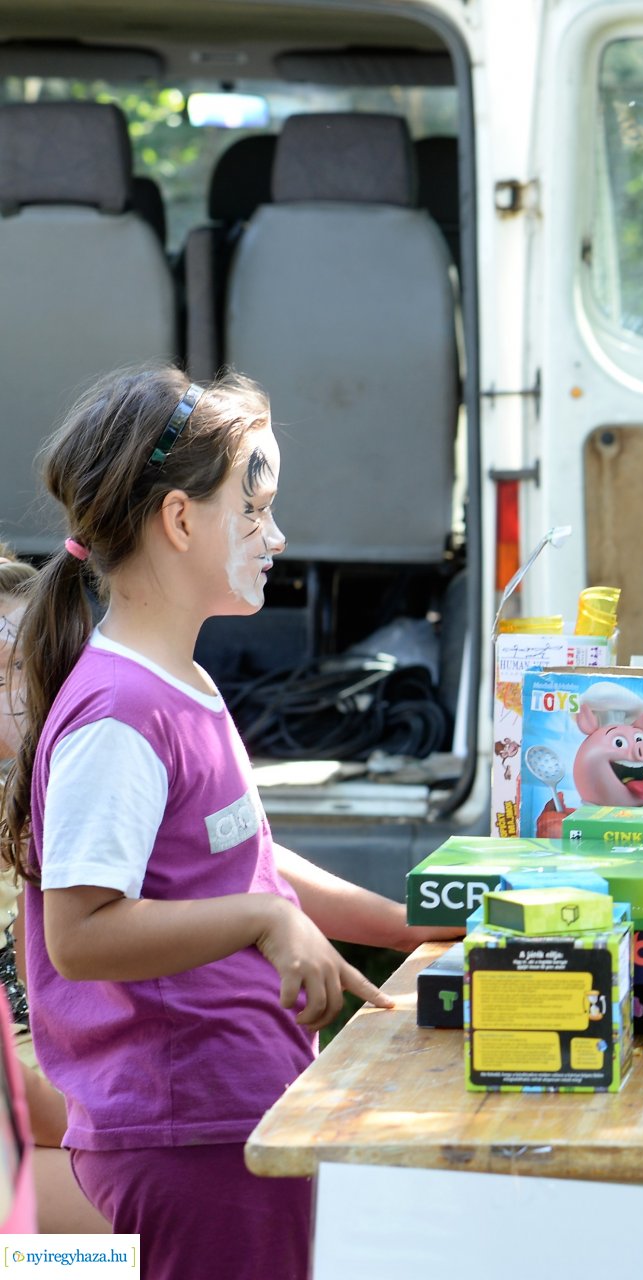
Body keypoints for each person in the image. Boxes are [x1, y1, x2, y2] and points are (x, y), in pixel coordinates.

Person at [0, 367, 459, 1280]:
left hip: (233, 1106)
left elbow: (243, 862)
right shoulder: (119, 718)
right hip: (184, 1131)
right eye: (254, 510)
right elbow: (84, 934)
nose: (276, 536)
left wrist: (406, 924)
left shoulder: (184, 685)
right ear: (178, 521)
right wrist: (265, 923)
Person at [0, 546, 107, 1234]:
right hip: (39, 1126)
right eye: (5, 669)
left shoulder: (58, 784)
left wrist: (402, 922)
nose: (25, 686)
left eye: (28, 664)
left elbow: (257, 861)